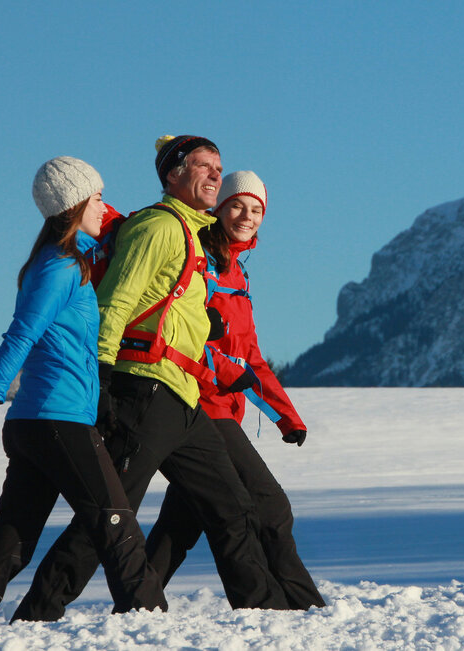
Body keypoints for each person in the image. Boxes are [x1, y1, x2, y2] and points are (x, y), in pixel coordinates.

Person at [12, 137, 290, 622]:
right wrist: (99, 376)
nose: (213, 176)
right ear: (172, 176)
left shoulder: (193, 235)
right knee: (109, 517)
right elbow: (115, 303)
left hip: (181, 395)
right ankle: (40, 612)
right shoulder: (159, 228)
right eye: (202, 166)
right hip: (142, 391)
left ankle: (267, 616)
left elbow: (174, 313)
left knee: (233, 508)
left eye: (218, 168)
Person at [0, 157, 167, 629]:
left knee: (12, 542)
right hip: (56, 420)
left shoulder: (68, 262)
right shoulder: (61, 267)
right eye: (99, 196)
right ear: (73, 204)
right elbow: (20, 336)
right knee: (116, 523)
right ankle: (151, 621)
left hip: (42, 422)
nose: (105, 205)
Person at [146, 171, 325, 609]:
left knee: (182, 522)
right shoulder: (199, 261)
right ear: (219, 207)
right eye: (238, 205)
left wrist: (287, 415)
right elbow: (184, 336)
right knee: (270, 507)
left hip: (224, 406)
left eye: (257, 209)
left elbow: (252, 358)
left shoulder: (236, 273)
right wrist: (224, 372)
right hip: (199, 404)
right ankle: (301, 606)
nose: (247, 216)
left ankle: (138, 599)